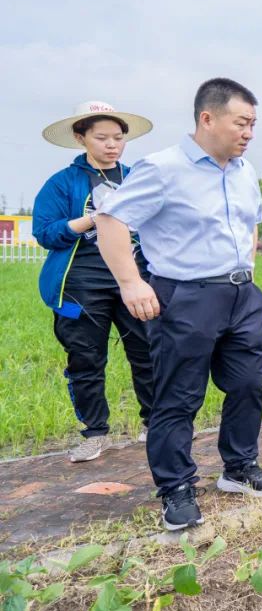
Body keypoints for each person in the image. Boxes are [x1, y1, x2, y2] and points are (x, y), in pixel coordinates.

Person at [95, 78, 262, 531]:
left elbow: (248, 227)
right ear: (207, 118)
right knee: (179, 396)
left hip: (240, 295)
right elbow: (111, 219)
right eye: (242, 123)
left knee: (246, 385)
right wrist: (131, 283)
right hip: (185, 296)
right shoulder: (163, 168)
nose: (249, 133)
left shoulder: (244, 171)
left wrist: (248, 273)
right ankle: (176, 487)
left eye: (253, 125)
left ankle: (239, 468)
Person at [32, 101, 156, 463]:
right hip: (81, 283)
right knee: (85, 359)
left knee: (148, 353)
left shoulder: (137, 178)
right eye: (101, 137)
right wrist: (91, 220)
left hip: (134, 278)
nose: (111, 144)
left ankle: (154, 424)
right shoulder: (62, 183)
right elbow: (45, 232)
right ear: (80, 137)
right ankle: (94, 433)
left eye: (118, 137)